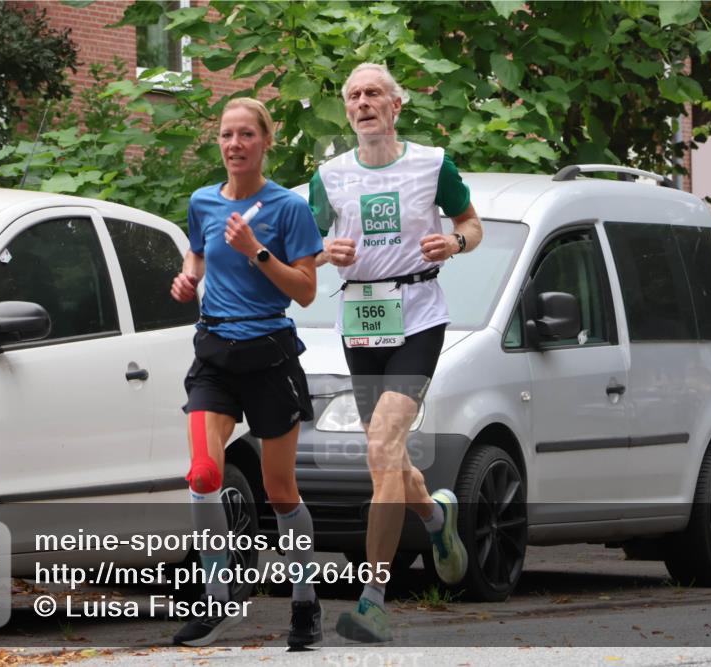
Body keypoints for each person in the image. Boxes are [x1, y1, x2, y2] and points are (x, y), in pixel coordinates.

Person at [309, 63, 483, 643]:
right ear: (347, 109)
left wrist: (454, 242)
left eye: (374, 94)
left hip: (418, 317)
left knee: (383, 444)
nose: (363, 103)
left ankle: (373, 600)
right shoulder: (329, 177)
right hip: (360, 321)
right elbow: (304, 249)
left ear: (396, 106)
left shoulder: (432, 164)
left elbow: (471, 224)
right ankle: (437, 517)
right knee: (384, 457)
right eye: (354, 95)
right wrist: (320, 251)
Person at [169, 97, 323, 648]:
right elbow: (196, 256)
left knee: (279, 489)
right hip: (215, 352)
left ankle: (305, 604)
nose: (234, 145)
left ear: (265, 141)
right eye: (226, 135)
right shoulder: (202, 202)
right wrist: (188, 280)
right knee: (203, 474)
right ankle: (218, 598)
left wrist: (257, 250)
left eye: (246, 136)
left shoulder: (287, 209)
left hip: (269, 355)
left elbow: (305, 291)